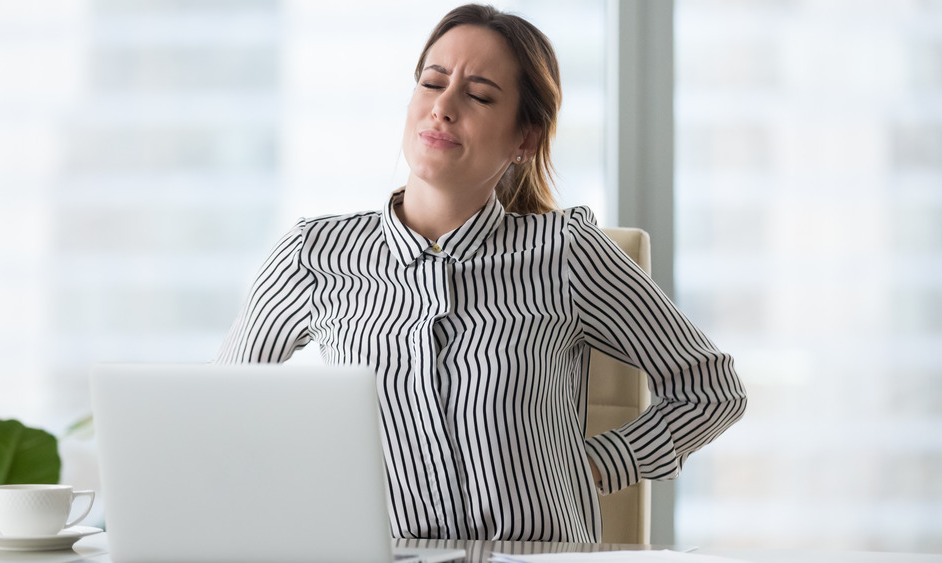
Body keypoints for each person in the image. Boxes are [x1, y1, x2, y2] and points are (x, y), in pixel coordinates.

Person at [217, 3, 746, 543]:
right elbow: (220, 413)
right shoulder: (314, 255)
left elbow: (710, 389)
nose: (443, 107)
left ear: (525, 139)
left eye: (479, 95)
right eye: (432, 82)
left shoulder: (568, 254)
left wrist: (598, 465)